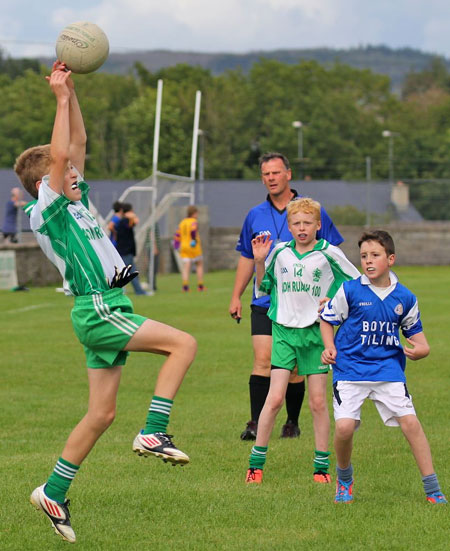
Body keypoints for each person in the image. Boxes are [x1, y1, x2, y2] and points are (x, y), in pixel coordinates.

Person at [15, 61, 197, 543]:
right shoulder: (46, 210)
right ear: (46, 183)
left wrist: (71, 94)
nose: (75, 170)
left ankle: (53, 490)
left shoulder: (73, 202)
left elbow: (76, 144)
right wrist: (56, 102)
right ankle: (154, 431)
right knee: (184, 344)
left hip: (109, 304)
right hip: (98, 306)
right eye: (67, 171)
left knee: (101, 414)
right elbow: (60, 154)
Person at [320, 230, 447, 504]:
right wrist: (329, 346)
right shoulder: (351, 289)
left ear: (390, 259)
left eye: (375, 255)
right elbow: (327, 319)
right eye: (364, 255)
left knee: (411, 423)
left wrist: (422, 350)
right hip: (350, 369)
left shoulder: (405, 298)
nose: (368, 260)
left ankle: (433, 489)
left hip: (387, 369)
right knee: (343, 428)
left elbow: (419, 340)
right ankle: (344, 480)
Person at [229, 152, 343, 441]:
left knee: (295, 371)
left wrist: (331, 297)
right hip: (265, 302)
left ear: (288, 174)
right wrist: (236, 296)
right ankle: (255, 422)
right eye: (266, 174)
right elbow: (246, 257)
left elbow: (334, 256)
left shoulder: (311, 211)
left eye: (276, 173)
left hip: (304, 305)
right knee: (262, 361)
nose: (271, 178)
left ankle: (292, 421)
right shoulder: (254, 214)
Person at [245, 198, 359, 484]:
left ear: (319, 225)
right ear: (289, 226)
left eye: (308, 223)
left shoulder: (330, 253)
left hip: (316, 334)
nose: (302, 228)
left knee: (318, 403)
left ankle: (321, 468)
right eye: (296, 223)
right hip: (283, 331)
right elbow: (263, 288)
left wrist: (333, 302)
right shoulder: (279, 251)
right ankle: (255, 465)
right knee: (274, 399)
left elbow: (356, 285)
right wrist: (259, 261)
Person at [115, 202, 149, 295]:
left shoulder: (123, 221)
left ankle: (138, 291)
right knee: (127, 272)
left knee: (129, 272)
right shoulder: (125, 221)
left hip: (125, 251)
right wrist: (132, 216)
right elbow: (135, 221)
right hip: (125, 251)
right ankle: (136, 291)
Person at [173, 205, 204, 292]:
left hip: (184, 247)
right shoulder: (194, 221)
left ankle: (185, 287)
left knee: (186, 267)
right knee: (199, 264)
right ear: (194, 213)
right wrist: (194, 239)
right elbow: (193, 230)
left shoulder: (182, 222)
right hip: (193, 246)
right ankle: (200, 286)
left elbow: (177, 235)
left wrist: (176, 245)